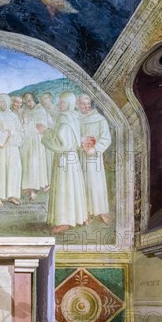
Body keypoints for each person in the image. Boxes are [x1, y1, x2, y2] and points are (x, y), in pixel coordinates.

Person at [42, 92, 88, 233]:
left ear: (68, 103)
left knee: (64, 188)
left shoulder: (64, 118)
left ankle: (64, 221)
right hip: (72, 159)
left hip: (65, 158)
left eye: (61, 102)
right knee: (74, 187)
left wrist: (45, 132)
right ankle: (80, 216)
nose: (58, 105)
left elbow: (62, 144)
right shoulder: (74, 116)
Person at [77, 94, 112, 224]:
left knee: (95, 184)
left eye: (87, 104)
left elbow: (106, 138)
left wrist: (95, 149)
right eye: (81, 104)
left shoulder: (100, 119)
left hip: (94, 157)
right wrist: (80, 142)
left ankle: (100, 211)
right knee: (81, 184)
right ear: (77, 104)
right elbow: (72, 135)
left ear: (91, 104)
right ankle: (84, 213)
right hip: (79, 156)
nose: (85, 106)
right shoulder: (75, 118)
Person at [0, 94, 24, 207]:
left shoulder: (14, 117)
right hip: (0, 148)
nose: (2, 104)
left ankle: (11, 196)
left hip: (12, 148)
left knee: (14, 170)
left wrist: (12, 134)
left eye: (4, 101)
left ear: (8, 102)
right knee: (0, 172)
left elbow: (21, 133)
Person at [19, 93, 49, 200]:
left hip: (37, 141)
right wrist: (23, 123)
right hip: (27, 141)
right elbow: (22, 127)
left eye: (29, 101)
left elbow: (42, 128)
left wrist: (28, 124)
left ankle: (37, 186)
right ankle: (30, 188)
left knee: (35, 163)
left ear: (34, 99)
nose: (28, 103)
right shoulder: (24, 112)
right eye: (26, 102)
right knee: (28, 164)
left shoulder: (40, 111)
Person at [40, 92, 57, 184]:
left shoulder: (56, 109)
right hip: (46, 137)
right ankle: (48, 182)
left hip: (54, 137)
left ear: (50, 99)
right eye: (42, 99)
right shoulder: (43, 111)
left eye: (46, 98)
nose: (44, 101)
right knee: (46, 160)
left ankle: (53, 181)